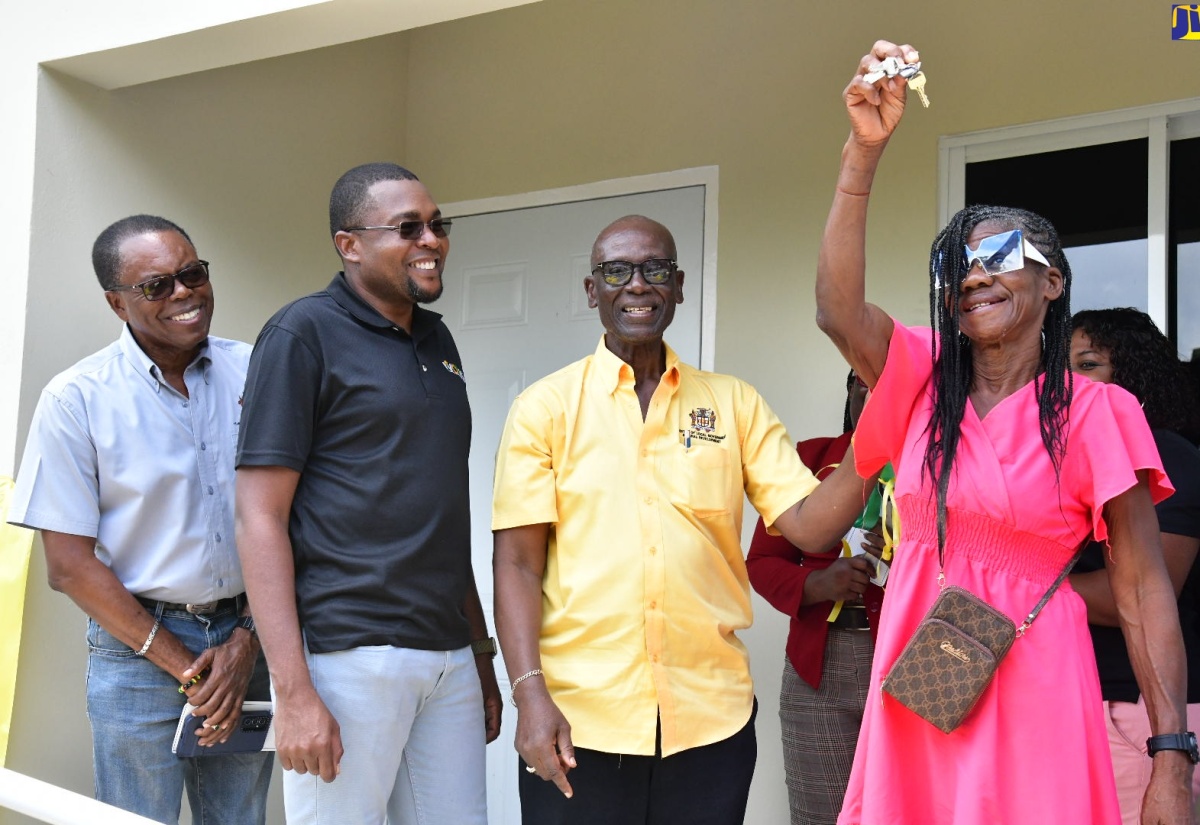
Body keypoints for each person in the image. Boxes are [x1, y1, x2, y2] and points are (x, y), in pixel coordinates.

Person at [814, 39, 1194, 825]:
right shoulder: (918, 376)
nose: (975, 274)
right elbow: (837, 309)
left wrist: (1170, 757)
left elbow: (1143, 588)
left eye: (999, 254)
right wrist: (864, 150)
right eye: (958, 263)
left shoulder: (1097, 412)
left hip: (1038, 691)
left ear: (1052, 281)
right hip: (923, 692)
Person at [491, 214, 878, 825]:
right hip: (579, 721)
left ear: (679, 286)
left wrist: (880, 423)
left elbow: (809, 526)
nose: (637, 285)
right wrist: (528, 695)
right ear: (593, 290)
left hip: (710, 724)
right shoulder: (545, 409)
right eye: (617, 270)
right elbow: (515, 562)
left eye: (655, 270)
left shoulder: (734, 403)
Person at [233, 162, 502, 824]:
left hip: (447, 658)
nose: (432, 239)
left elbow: (439, 510)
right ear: (348, 244)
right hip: (348, 655)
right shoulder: (303, 333)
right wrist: (293, 691)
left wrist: (480, 651)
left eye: (438, 225)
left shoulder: (438, 340)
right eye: (408, 227)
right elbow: (258, 516)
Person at [8, 215, 272, 824]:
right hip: (136, 651)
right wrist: (188, 669)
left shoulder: (258, 371)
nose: (184, 293)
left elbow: (295, 516)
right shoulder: (77, 398)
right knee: (134, 820)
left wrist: (245, 641)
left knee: (239, 818)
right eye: (157, 286)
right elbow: (69, 567)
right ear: (117, 304)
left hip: (244, 643)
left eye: (193, 274)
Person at [1069, 308, 1200, 824]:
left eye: (1086, 365)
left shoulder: (1167, 457)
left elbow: (1145, 592)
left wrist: (1017, 585)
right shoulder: (1085, 460)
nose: (1064, 383)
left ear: (1134, 379)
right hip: (1095, 708)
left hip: (1136, 717)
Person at [746, 371, 887, 825]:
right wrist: (816, 585)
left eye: (886, 382)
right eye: (860, 383)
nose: (870, 392)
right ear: (849, 394)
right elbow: (763, 562)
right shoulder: (809, 459)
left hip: (908, 665)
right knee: (819, 816)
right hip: (816, 671)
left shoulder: (938, 466)